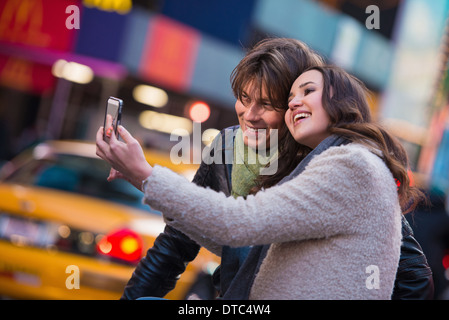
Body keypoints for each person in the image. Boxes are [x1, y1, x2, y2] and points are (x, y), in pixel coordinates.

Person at [98, 38, 433, 299]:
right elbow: (178, 240)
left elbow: (413, 276)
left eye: (268, 104)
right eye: (244, 99)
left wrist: (145, 174)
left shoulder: (335, 166)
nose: (250, 115)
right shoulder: (228, 149)